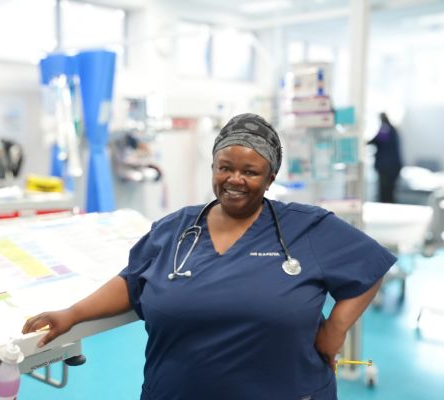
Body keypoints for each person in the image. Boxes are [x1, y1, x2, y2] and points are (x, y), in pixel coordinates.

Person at [23, 113, 396, 400]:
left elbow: (370, 265)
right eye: (225, 167)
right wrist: (72, 314)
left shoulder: (306, 227)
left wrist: (336, 329)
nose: (234, 179)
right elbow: (133, 280)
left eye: (250, 171)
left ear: (270, 177)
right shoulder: (176, 228)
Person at [368, 112, 403, 203]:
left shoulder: (385, 129)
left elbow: (377, 140)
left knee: (385, 190)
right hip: (393, 165)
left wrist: (365, 142)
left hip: (387, 166)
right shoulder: (392, 129)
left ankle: (387, 205)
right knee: (389, 190)